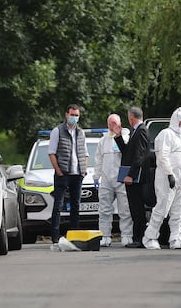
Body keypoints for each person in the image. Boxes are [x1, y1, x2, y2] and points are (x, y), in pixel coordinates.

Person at [143, 107, 181, 250]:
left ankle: (176, 238)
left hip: (179, 178)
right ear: (177, 121)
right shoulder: (166, 134)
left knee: (178, 209)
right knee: (162, 208)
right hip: (166, 177)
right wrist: (169, 174)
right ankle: (149, 236)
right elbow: (162, 155)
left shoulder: (180, 137)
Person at [48, 104, 88, 252]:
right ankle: (55, 238)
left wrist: (83, 171)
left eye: (77, 115)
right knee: (58, 206)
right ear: (66, 115)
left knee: (76, 206)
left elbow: (84, 153)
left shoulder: (80, 133)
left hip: (77, 175)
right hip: (63, 174)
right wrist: (58, 171)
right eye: (72, 114)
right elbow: (51, 153)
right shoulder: (57, 131)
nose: (74, 117)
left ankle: (74, 237)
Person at [93, 114, 133, 247]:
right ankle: (104, 235)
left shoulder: (126, 137)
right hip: (106, 179)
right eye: (110, 123)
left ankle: (127, 235)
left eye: (115, 123)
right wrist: (96, 176)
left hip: (121, 179)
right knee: (104, 209)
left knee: (125, 209)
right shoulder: (103, 141)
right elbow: (99, 160)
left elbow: (128, 154)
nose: (113, 126)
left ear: (120, 123)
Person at [114, 106, 149, 248]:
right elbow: (127, 152)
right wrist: (118, 137)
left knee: (137, 208)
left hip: (137, 178)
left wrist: (130, 175)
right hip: (132, 177)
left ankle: (139, 238)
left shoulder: (141, 131)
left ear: (131, 117)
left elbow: (139, 156)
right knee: (133, 208)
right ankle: (137, 237)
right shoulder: (135, 131)